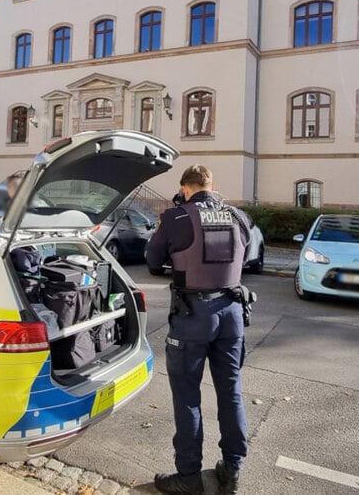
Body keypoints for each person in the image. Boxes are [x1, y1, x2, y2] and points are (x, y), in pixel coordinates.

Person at [146, 165, 251, 495]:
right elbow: (243, 254)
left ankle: (189, 477)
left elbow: (152, 259)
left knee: (188, 397)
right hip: (232, 312)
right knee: (230, 391)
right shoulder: (238, 216)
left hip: (193, 315)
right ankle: (232, 471)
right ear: (211, 185)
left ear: (185, 187)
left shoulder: (176, 216)